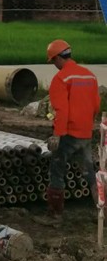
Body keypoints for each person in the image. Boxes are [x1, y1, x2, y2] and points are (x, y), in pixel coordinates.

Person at [45, 38, 100, 216]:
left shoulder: (61, 78)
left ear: (57, 58)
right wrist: (87, 124)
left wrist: (57, 135)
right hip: (85, 132)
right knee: (89, 171)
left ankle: (55, 213)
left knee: (57, 169)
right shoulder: (89, 75)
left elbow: (61, 110)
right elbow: (96, 105)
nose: (54, 64)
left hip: (68, 133)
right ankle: (103, 211)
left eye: (53, 61)